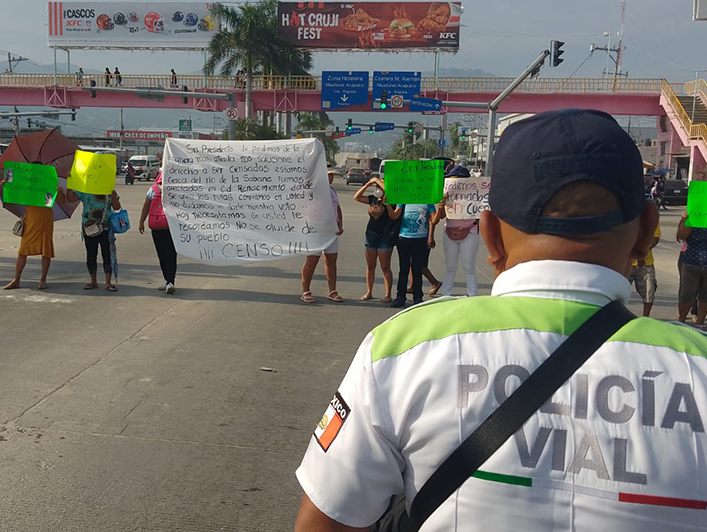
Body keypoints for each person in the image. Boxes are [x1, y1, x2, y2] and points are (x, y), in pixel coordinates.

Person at [293, 109, 707, 532]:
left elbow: (325, 523)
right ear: (646, 232)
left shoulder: (403, 348)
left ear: (488, 235)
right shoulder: (700, 367)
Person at [1, 179, 64, 290]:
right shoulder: (27, 185)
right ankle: (16, 280)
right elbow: (13, 196)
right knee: (22, 251)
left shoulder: (48, 185)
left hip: (45, 220)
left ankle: (43, 279)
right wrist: (6, 185)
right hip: (30, 220)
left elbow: (55, 202)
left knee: (46, 250)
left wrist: (59, 192)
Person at [432, 165, 480, 297]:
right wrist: (441, 206)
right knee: (450, 268)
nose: (452, 182)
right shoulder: (445, 194)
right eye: (450, 180)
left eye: (454, 179)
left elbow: (481, 213)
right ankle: (446, 295)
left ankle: (473, 295)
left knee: (469, 267)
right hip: (449, 232)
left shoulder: (475, 195)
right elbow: (439, 218)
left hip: (470, 232)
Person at [301, 170, 344, 304]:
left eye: (332, 175)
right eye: (329, 175)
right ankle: (305, 291)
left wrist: (340, 225)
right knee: (312, 260)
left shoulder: (332, 192)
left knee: (331, 260)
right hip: (316, 231)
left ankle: (332, 291)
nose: (331, 178)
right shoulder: (313, 191)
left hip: (331, 232)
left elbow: (338, 209)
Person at [66, 189, 121, 291]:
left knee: (107, 255)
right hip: (89, 228)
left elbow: (117, 207)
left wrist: (113, 197)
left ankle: (108, 282)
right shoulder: (84, 189)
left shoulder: (108, 188)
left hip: (106, 229)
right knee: (91, 255)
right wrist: (70, 185)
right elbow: (70, 199)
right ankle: (93, 281)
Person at [354, 177, 398, 303]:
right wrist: (368, 184)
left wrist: (378, 181)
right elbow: (357, 197)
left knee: (385, 267)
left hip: (385, 237)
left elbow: (390, 194)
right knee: (370, 266)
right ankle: (369, 292)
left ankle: (388, 294)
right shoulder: (373, 199)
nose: (378, 189)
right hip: (371, 235)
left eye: (380, 187)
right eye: (377, 187)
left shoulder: (391, 199)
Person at [389, 201, 436, 308]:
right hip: (404, 238)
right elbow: (394, 216)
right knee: (403, 269)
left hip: (420, 239)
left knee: (417, 269)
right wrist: (387, 205)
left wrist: (430, 236)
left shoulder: (427, 201)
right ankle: (400, 296)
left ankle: (418, 297)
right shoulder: (403, 200)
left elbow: (433, 220)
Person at [139, 172, 176, 294]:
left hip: (156, 226)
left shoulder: (153, 189)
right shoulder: (175, 189)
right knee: (170, 254)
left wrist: (141, 222)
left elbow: (146, 206)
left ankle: (168, 280)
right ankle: (169, 281)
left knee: (162, 254)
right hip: (171, 227)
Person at [677, 211, 707, 325]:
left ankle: (700, 322)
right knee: (686, 294)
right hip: (692, 261)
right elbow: (680, 236)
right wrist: (685, 219)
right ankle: (682, 321)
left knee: (705, 297)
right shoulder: (693, 216)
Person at [628, 223, 660, 316]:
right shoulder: (624, 215)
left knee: (649, 291)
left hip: (646, 263)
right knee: (618, 292)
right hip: (625, 262)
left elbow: (655, 238)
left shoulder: (649, 216)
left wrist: (641, 252)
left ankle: (645, 317)